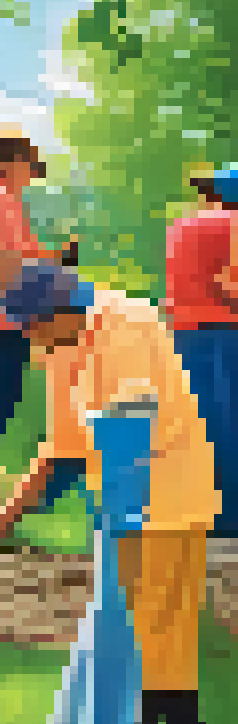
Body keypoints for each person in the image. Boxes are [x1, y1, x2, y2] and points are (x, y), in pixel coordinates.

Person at [0, 263, 216, 724]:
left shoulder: (126, 326)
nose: (28, 342)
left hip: (167, 499)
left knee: (152, 641)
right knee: (149, 640)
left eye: (30, 330)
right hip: (132, 503)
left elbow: (133, 428)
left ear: (55, 315)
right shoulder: (67, 345)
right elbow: (58, 448)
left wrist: (118, 521)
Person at [0, 132, 78, 522]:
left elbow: (18, 255)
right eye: (28, 167)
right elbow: (6, 264)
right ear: (10, 164)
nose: (30, 176)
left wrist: (54, 258)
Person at [167, 164, 238, 570]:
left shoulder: (182, 225)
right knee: (230, 423)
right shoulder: (233, 224)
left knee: (197, 420)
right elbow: (229, 285)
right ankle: (229, 519)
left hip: (184, 332)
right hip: (225, 331)